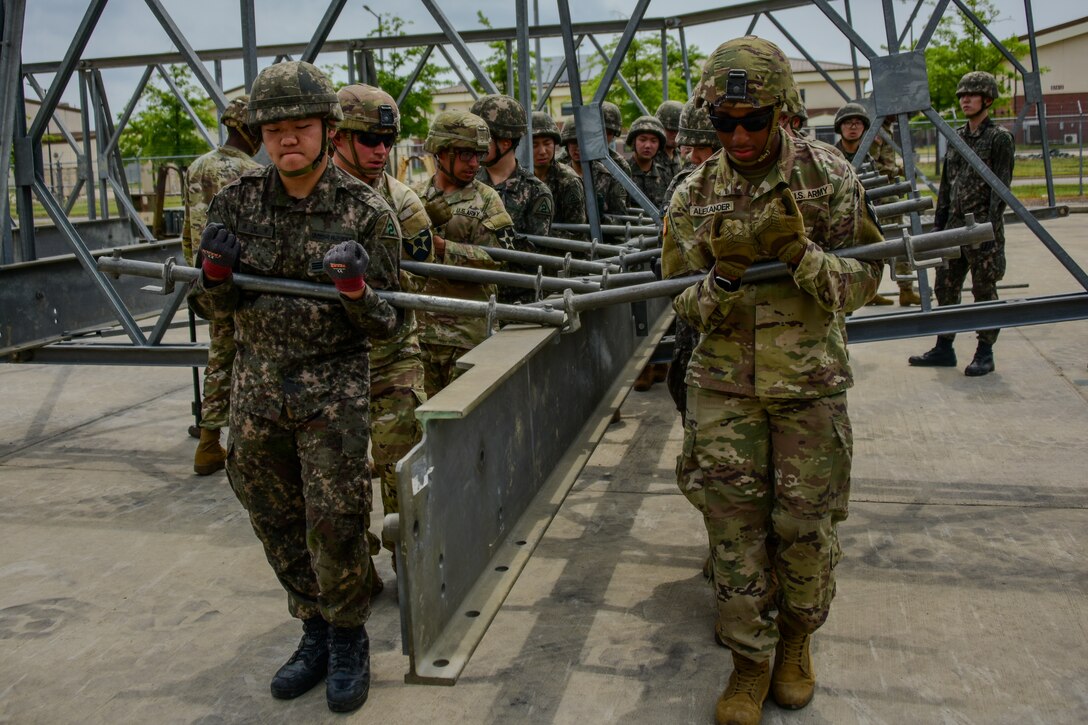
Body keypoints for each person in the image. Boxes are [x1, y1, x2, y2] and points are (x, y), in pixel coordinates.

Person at [660, 37, 883, 725]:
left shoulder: (828, 175)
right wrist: (721, 281)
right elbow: (675, 299)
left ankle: (795, 642)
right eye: (723, 123)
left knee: (806, 526)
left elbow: (865, 281)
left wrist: (801, 255)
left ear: (783, 111)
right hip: (724, 389)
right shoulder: (693, 194)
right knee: (734, 531)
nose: (738, 137)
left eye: (753, 121)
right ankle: (748, 663)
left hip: (808, 386)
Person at [187, 61, 402, 714]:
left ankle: (348, 637)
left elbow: (390, 322)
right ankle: (313, 627)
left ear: (327, 129)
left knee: (336, 522)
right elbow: (212, 309)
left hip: (331, 390)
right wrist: (214, 277)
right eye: (274, 127)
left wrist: (356, 292)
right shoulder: (235, 203)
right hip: (257, 389)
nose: (287, 138)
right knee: (273, 514)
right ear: (258, 133)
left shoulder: (366, 211)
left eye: (301, 126)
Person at [331, 83, 432, 570]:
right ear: (337, 137)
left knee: (403, 461)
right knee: (337, 477)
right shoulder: (312, 199)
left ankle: (406, 556)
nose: (381, 151)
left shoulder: (403, 202)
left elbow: (421, 271)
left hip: (391, 353)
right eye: (369, 140)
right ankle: (354, 569)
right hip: (331, 359)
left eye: (387, 141)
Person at [908, 70, 1014, 376]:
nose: (965, 100)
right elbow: (946, 185)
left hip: (982, 229)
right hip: (953, 227)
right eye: (962, 95)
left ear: (987, 99)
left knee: (984, 290)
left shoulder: (999, 138)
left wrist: (990, 230)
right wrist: (938, 225)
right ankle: (944, 346)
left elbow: (1001, 188)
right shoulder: (956, 136)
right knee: (945, 286)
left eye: (972, 95)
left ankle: (985, 352)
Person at [181, 95, 262, 475]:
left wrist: (195, 274)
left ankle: (210, 438)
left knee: (218, 353)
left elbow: (187, 228)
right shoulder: (251, 172)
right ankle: (215, 442)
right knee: (236, 357)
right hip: (239, 279)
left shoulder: (197, 166)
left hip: (207, 275)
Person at [415, 110, 517, 395]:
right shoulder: (414, 197)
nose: (474, 163)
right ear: (440, 152)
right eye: (465, 155)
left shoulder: (486, 199)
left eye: (478, 155)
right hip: (421, 336)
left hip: (468, 337)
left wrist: (444, 249)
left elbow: (500, 261)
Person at [664, 98, 723, 421]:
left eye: (704, 147)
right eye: (691, 147)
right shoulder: (683, 187)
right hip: (698, 322)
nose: (694, 156)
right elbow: (675, 267)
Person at [834, 103, 896, 306]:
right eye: (848, 123)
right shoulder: (830, 156)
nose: (853, 127)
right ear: (840, 127)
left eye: (858, 123)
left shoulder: (871, 156)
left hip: (867, 215)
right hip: (840, 221)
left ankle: (872, 292)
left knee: (876, 254)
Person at [470, 94, 554, 238]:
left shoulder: (536, 192)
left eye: (483, 139)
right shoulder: (467, 180)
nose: (475, 145)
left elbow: (534, 248)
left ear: (506, 143)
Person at [531, 111, 587, 234]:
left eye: (547, 144)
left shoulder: (569, 181)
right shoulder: (519, 177)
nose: (542, 151)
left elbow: (577, 233)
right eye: (534, 145)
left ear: (554, 144)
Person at [561, 115, 628, 217]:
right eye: (574, 142)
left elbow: (621, 218)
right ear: (567, 144)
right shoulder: (559, 176)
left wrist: (603, 219)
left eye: (584, 142)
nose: (578, 148)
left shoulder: (609, 177)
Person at [626, 114, 672, 208]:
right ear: (634, 142)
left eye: (653, 141)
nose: (647, 145)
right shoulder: (622, 172)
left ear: (659, 145)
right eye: (642, 140)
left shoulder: (665, 175)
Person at [655, 99, 684, 178]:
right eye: (670, 130)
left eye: (678, 130)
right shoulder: (649, 158)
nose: (675, 134)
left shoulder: (683, 157)